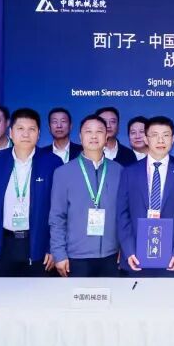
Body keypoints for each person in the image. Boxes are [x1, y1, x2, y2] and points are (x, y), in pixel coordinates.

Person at [0, 108, 63, 276]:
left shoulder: (52, 162)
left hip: (38, 244)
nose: (26, 134)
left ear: (38, 134)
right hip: (3, 244)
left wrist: (52, 247)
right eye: (20, 129)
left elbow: (59, 210)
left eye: (31, 129)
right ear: (11, 132)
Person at [117, 115, 174, 277]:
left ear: (173, 139)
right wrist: (129, 251)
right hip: (137, 256)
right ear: (146, 139)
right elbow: (122, 215)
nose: (160, 140)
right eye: (155, 135)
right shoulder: (129, 172)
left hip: (172, 256)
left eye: (166, 135)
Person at [50, 114, 123, 277]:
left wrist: (123, 246)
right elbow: (57, 217)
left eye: (99, 131)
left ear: (106, 136)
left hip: (111, 255)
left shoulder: (119, 171)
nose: (94, 136)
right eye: (88, 131)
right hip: (76, 256)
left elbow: (124, 215)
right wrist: (59, 254)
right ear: (80, 137)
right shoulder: (63, 173)